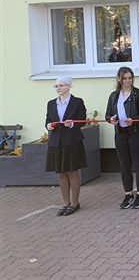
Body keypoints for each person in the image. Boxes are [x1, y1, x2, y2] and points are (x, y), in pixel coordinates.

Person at [105, 67, 139, 209]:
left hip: (136, 132)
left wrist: (133, 120)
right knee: (124, 164)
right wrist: (111, 119)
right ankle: (128, 194)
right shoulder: (113, 96)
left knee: (138, 163)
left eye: (130, 78)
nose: (128, 81)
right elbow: (108, 114)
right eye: (125, 78)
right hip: (120, 133)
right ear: (119, 79)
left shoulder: (138, 94)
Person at [45, 76, 88, 216]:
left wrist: (72, 124)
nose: (58, 88)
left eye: (61, 85)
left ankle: (75, 203)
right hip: (56, 142)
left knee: (72, 171)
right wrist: (48, 126)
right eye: (56, 86)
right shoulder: (51, 103)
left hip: (72, 141)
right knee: (61, 173)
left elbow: (82, 121)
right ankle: (66, 203)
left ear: (69, 86)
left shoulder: (77, 102)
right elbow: (48, 119)